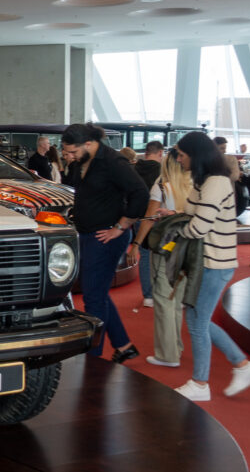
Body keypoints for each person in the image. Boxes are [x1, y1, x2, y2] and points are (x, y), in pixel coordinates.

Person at [171, 132, 250, 401]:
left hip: (214, 264)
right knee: (198, 320)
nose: (179, 160)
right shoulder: (206, 180)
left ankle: (201, 383)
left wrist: (175, 230)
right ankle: (241, 365)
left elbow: (199, 226)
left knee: (197, 323)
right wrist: (177, 219)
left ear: (195, 155)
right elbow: (193, 216)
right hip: (206, 262)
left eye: (182, 155)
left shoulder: (216, 182)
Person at [62, 123, 149, 362]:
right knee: (97, 292)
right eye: (66, 153)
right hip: (90, 235)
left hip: (106, 238)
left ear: (89, 144)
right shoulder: (82, 161)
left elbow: (140, 193)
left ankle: (94, 358)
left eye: (72, 152)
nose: (69, 157)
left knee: (93, 297)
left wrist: (121, 226)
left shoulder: (113, 162)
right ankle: (123, 345)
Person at [126, 148, 193, 366]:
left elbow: (148, 218)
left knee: (164, 299)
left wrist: (136, 244)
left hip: (165, 247)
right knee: (175, 300)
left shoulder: (161, 186)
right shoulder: (193, 184)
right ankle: (176, 347)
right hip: (186, 248)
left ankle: (167, 354)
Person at [132, 140, 164, 307]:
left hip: (138, 218)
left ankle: (148, 295)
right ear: (160, 153)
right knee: (162, 254)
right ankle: (162, 291)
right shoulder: (162, 173)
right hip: (157, 217)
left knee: (144, 255)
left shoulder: (134, 169)